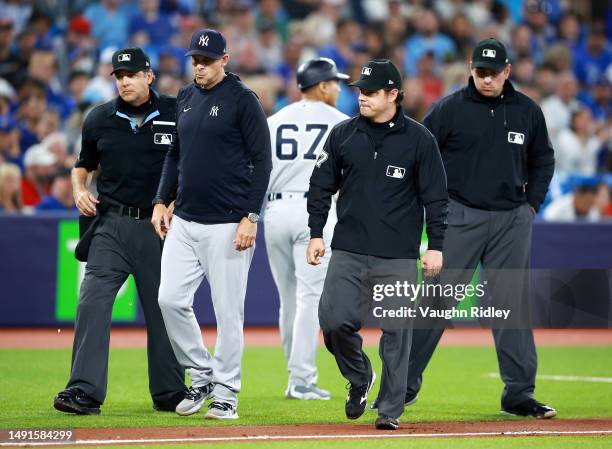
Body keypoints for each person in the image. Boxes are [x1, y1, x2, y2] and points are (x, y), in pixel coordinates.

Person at [375, 38, 556, 419]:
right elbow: (418, 153)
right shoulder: (450, 109)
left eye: (494, 72)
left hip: (512, 219)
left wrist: (532, 204)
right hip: (459, 215)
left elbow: (543, 159)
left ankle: (519, 393)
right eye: (480, 72)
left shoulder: (527, 111)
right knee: (436, 302)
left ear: (508, 71)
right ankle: (400, 387)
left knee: (512, 306)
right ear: (471, 70)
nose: (487, 79)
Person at [307, 59, 448, 430]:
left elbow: (436, 198)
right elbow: (320, 186)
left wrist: (435, 245)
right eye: (359, 91)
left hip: (398, 255)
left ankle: (390, 410)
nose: (362, 97)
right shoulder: (343, 134)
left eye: (370, 92)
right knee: (334, 323)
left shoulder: (420, 140)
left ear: (393, 95)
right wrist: (316, 232)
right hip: (349, 250)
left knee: (397, 333)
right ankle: (359, 377)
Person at [53, 47, 186, 416]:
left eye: (131, 74)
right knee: (92, 300)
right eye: (119, 75)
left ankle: (170, 392)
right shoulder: (99, 118)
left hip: (159, 226)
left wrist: (178, 202)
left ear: (149, 75)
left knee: (163, 310)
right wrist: (80, 189)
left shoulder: (176, 112)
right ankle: (83, 391)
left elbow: (192, 163)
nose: (124, 81)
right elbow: (84, 166)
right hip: (109, 224)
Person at [152, 28, 272, 420]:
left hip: (228, 223)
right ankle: (202, 374)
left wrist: (250, 216)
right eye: (195, 61)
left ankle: (226, 393)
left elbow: (262, 163)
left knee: (228, 314)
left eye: (206, 61)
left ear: (225, 59)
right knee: (168, 299)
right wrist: (160, 200)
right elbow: (175, 154)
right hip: (185, 219)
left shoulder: (243, 100)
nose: (199, 68)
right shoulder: (186, 96)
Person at [265, 57, 349, 401]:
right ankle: (300, 379)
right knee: (309, 299)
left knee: (288, 300)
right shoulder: (343, 123)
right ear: (324, 85)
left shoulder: (273, 121)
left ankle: (294, 374)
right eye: (336, 83)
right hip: (314, 213)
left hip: (274, 210)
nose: (340, 88)